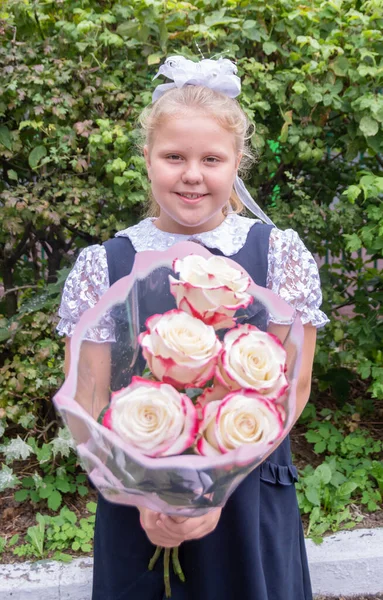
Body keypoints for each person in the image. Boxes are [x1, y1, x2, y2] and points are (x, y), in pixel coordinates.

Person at [57, 56, 329, 600]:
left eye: (212, 158)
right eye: (173, 156)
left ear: (237, 163)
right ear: (147, 159)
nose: (192, 174)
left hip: (247, 498)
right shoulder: (104, 264)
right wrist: (151, 503)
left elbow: (291, 387)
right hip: (137, 505)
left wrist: (213, 494)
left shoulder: (277, 255)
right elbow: (88, 396)